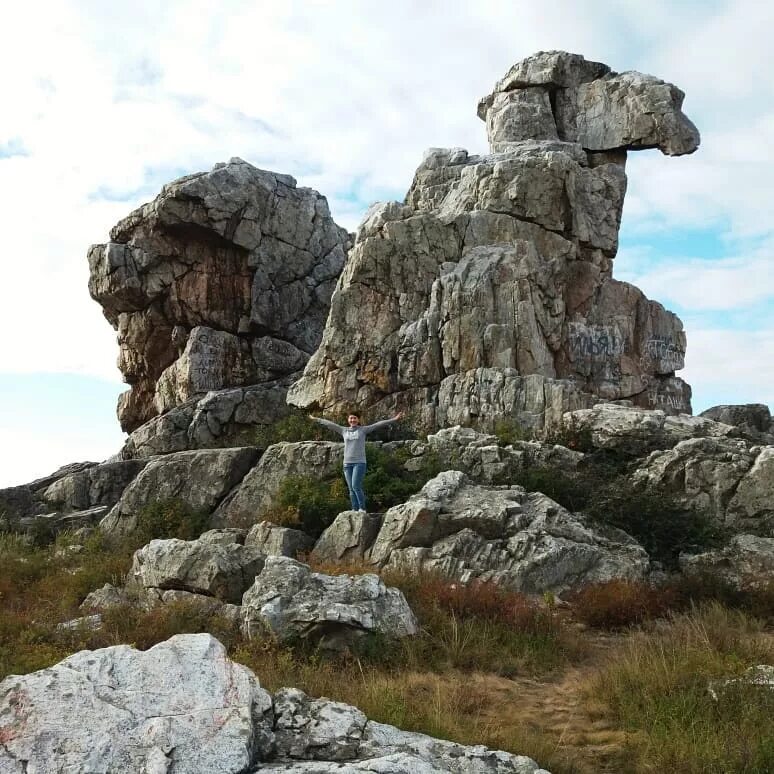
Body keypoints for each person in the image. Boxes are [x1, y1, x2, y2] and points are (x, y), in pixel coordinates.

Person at [308, 411, 404, 513]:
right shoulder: (343, 430)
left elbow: (378, 424)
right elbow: (329, 424)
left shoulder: (363, 430)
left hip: (359, 462)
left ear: (358, 420)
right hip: (347, 464)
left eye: (355, 418)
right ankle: (354, 509)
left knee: (356, 486)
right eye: (351, 418)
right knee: (351, 489)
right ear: (348, 420)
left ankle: (362, 508)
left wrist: (394, 419)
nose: (352, 420)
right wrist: (316, 419)